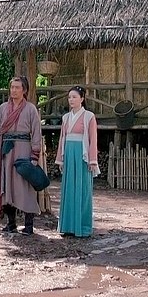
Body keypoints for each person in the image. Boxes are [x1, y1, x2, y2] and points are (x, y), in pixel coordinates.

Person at [0, 76, 43, 235]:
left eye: (17, 87)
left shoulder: (31, 109)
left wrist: (35, 154)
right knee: (7, 185)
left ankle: (28, 225)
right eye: (12, 87)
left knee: (25, 185)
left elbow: (36, 132)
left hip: (24, 150)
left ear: (24, 90)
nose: (13, 90)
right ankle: (11, 223)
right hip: (6, 151)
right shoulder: (3, 108)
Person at [55, 86, 99, 238]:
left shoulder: (89, 116)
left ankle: (83, 227)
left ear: (82, 99)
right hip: (68, 153)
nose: (71, 100)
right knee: (68, 189)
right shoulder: (66, 118)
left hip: (82, 154)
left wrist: (92, 160)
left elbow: (93, 139)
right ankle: (67, 226)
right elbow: (62, 138)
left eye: (74, 97)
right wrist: (60, 159)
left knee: (83, 189)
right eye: (69, 97)